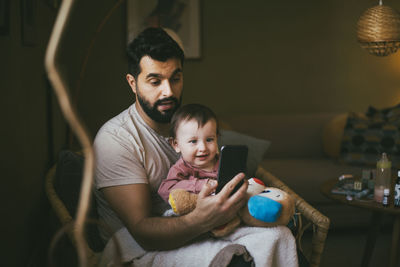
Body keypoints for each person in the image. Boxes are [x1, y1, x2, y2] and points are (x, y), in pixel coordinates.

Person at [94, 27, 298, 267]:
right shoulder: (116, 139)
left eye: (176, 78)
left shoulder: (186, 125)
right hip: (139, 250)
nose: (168, 91)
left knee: (280, 237)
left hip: (201, 232)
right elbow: (142, 232)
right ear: (132, 83)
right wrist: (202, 219)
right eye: (155, 81)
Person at [158, 103, 220, 204]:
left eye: (209, 140)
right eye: (193, 141)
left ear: (217, 138)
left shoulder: (223, 161)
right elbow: (165, 190)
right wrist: (200, 185)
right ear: (176, 145)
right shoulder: (181, 168)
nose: (203, 148)